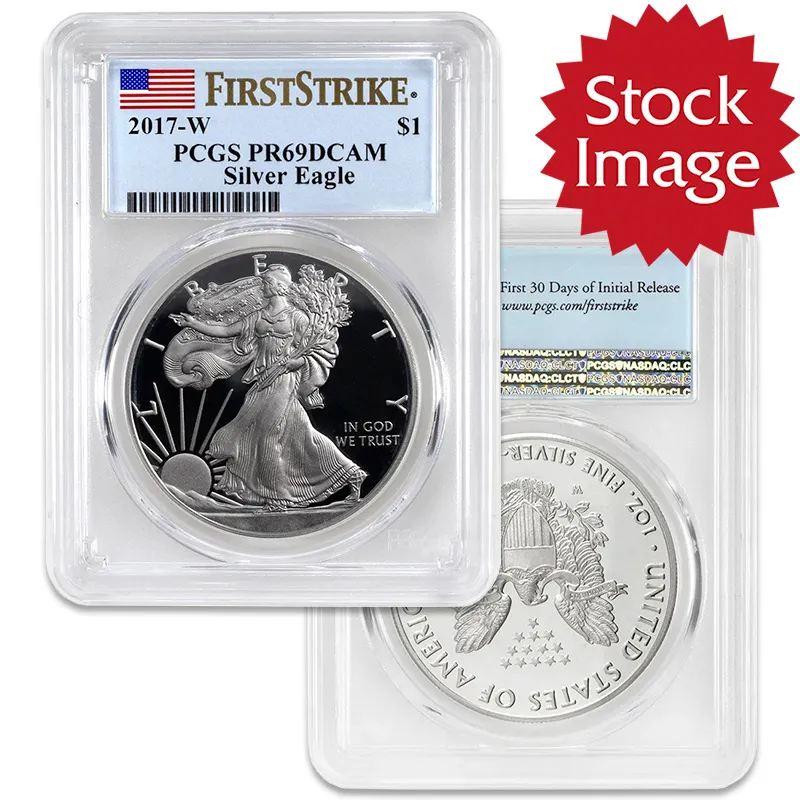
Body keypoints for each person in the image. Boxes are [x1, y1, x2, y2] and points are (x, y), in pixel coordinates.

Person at [165, 263, 366, 509]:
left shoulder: (297, 318)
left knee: (267, 435)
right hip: (263, 380)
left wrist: (296, 362)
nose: (264, 286)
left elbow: (318, 351)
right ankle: (351, 473)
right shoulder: (258, 316)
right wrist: (193, 323)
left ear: (280, 287)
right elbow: (225, 330)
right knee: (302, 435)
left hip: (284, 380)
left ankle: (278, 498)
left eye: (268, 282)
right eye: (264, 282)